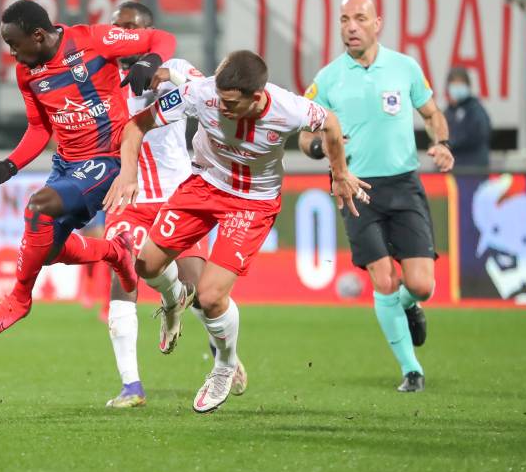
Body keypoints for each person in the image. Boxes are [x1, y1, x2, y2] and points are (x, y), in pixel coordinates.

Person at [105, 50, 367, 413]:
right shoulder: (204, 92)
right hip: (203, 185)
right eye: (221, 100)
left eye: (232, 104)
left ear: (257, 97)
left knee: (211, 297)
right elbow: (136, 126)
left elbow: (331, 124)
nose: (223, 109)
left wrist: (339, 174)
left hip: (252, 203)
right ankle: (175, 297)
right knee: (146, 265)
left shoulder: (289, 109)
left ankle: (224, 367)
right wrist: (128, 173)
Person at [0, 0, 177, 336]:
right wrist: (10, 166)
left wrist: (151, 61)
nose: (11, 53)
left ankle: (19, 299)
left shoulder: (92, 40)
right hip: (66, 164)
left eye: (13, 43)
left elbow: (162, 38)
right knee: (47, 251)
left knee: (38, 207)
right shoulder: (27, 70)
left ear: (37, 35)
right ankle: (116, 252)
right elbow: (40, 128)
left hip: (106, 160)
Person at [299, 0, 454, 393]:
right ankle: (412, 370)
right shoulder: (329, 78)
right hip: (355, 187)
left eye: (359, 18)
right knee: (383, 279)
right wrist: (321, 148)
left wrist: (442, 142)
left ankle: (410, 305)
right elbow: (303, 136)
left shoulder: (404, 67)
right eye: (344, 19)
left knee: (421, 285)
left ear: (377, 23)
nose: (350, 26)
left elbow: (432, 113)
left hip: (404, 184)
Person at [101, 1, 247, 409]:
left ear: (148, 32)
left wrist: (161, 72)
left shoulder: (174, 68)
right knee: (124, 271)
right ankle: (131, 386)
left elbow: (207, 89)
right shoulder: (103, 79)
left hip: (178, 195)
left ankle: (223, 354)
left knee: (203, 293)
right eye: (117, 29)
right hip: (129, 197)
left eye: (131, 28)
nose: (123, 36)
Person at [444, 66, 491, 169]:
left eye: (460, 84)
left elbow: (480, 132)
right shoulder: (448, 112)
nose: (457, 89)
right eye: (454, 85)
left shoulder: (475, 109)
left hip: (474, 169)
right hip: (453, 171)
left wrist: (450, 143)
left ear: (467, 86)